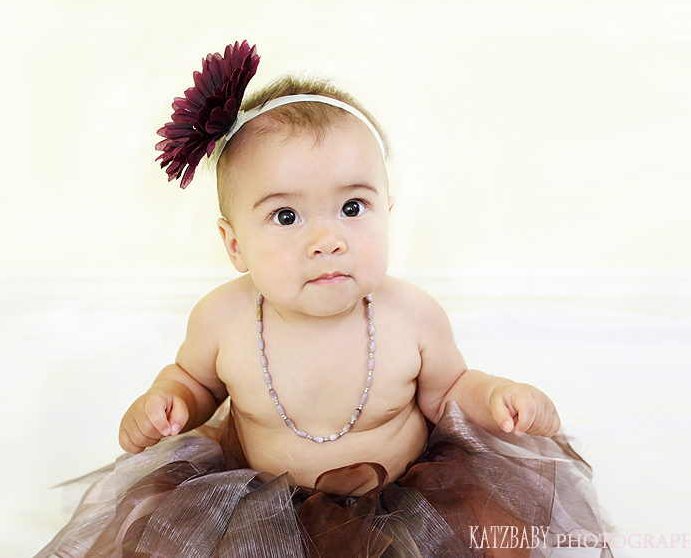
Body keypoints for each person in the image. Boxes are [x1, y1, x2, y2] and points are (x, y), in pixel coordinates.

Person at [37, 41, 612, 558]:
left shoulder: (411, 315)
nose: (326, 239)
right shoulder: (222, 318)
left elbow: (451, 393)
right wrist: (169, 399)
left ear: (388, 212)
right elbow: (195, 380)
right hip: (262, 507)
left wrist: (498, 396)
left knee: (484, 536)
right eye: (286, 216)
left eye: (352, 207)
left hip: (402, 502)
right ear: (235, 245)